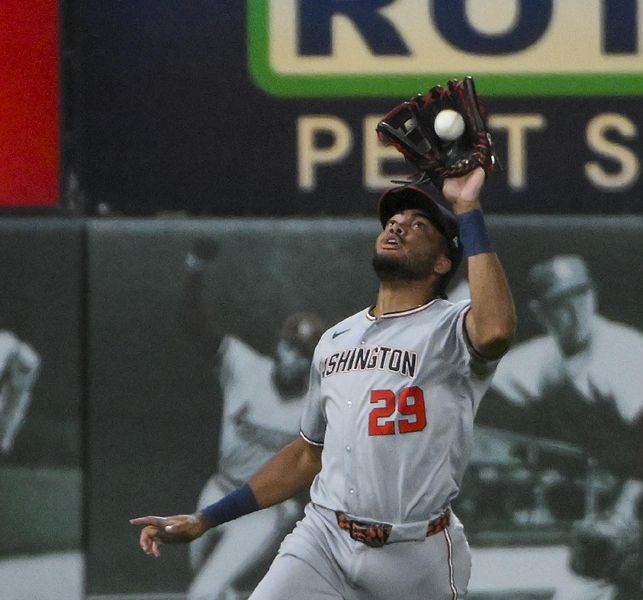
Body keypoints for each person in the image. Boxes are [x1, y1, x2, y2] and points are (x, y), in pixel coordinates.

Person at [131, 167, 516, 600]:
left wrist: (467, 208)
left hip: (416, 552)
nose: (398, 226)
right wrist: (205, 518)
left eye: (418, 225)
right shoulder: (335, 340)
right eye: (393, 222)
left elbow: (497, 330)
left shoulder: (451, 328)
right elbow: (303, 457)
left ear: (443, 261)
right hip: (326, 536)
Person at [489, 255, 643, 600]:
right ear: (540, 312)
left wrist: (625, 507)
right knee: (579, 593)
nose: (576, 312)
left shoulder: (621, 352)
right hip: (638, 486)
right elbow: (477, 383)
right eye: (562, 304)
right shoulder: (542, 361)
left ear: (593, 296)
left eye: (582, 296)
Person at [178, 242, 326, 600]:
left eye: (301, 353)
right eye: (289, 346)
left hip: (262, 510)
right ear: (278, 344)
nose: (291, 357)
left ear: (312, 362)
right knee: (217, 589)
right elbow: (194, 324)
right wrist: (194, 270)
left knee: (203, 593)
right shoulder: (244, 367)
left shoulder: (320, 401)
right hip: (217, 491)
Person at [0, 331, 41, 456]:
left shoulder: (32, 365)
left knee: (16, 405)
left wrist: (7, 439)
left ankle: (5, 441)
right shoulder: (4, 349)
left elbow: (18, 406)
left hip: (13, 378)